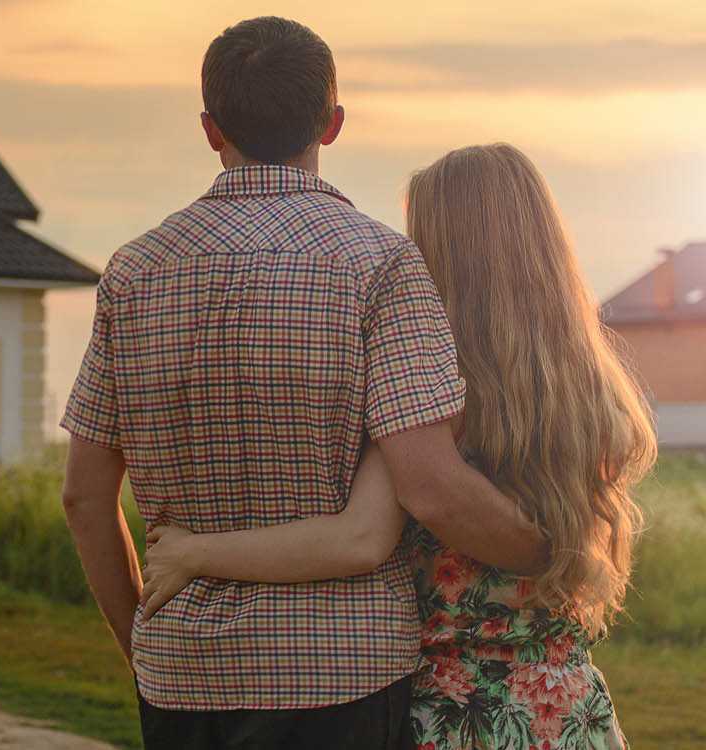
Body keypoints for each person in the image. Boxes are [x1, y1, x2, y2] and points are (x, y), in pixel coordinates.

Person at [59, 16, 548, 749]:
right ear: (332, 123)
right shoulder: (379, 264)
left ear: (209, 128)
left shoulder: (133, 273)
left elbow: (84, 496)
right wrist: (558, 551)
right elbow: (431, 485)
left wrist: (146, 642)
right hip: (343, 673)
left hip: (183, 671)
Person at [139, 143, 655, 749]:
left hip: (455, 716)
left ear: (440, 252)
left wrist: (194, 553)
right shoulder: (596, 394)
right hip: (569, 709)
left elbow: (358, 537)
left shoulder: (427, 394)